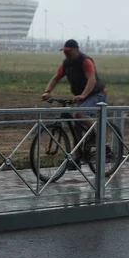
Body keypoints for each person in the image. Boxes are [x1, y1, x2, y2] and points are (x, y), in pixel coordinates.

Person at [42, 39, 107, 168]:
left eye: (68, 52)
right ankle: (76, 157)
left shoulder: (85, 61)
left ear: (76, 50)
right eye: (64, 52)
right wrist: (47, 91)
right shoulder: (66, 64)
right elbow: (56, 77)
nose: (66, 54)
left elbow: (92, 80)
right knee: (76, 125)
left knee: (79, 113)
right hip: (83, 97)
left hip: (97, 94)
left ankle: (97, 133)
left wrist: (83, 95)